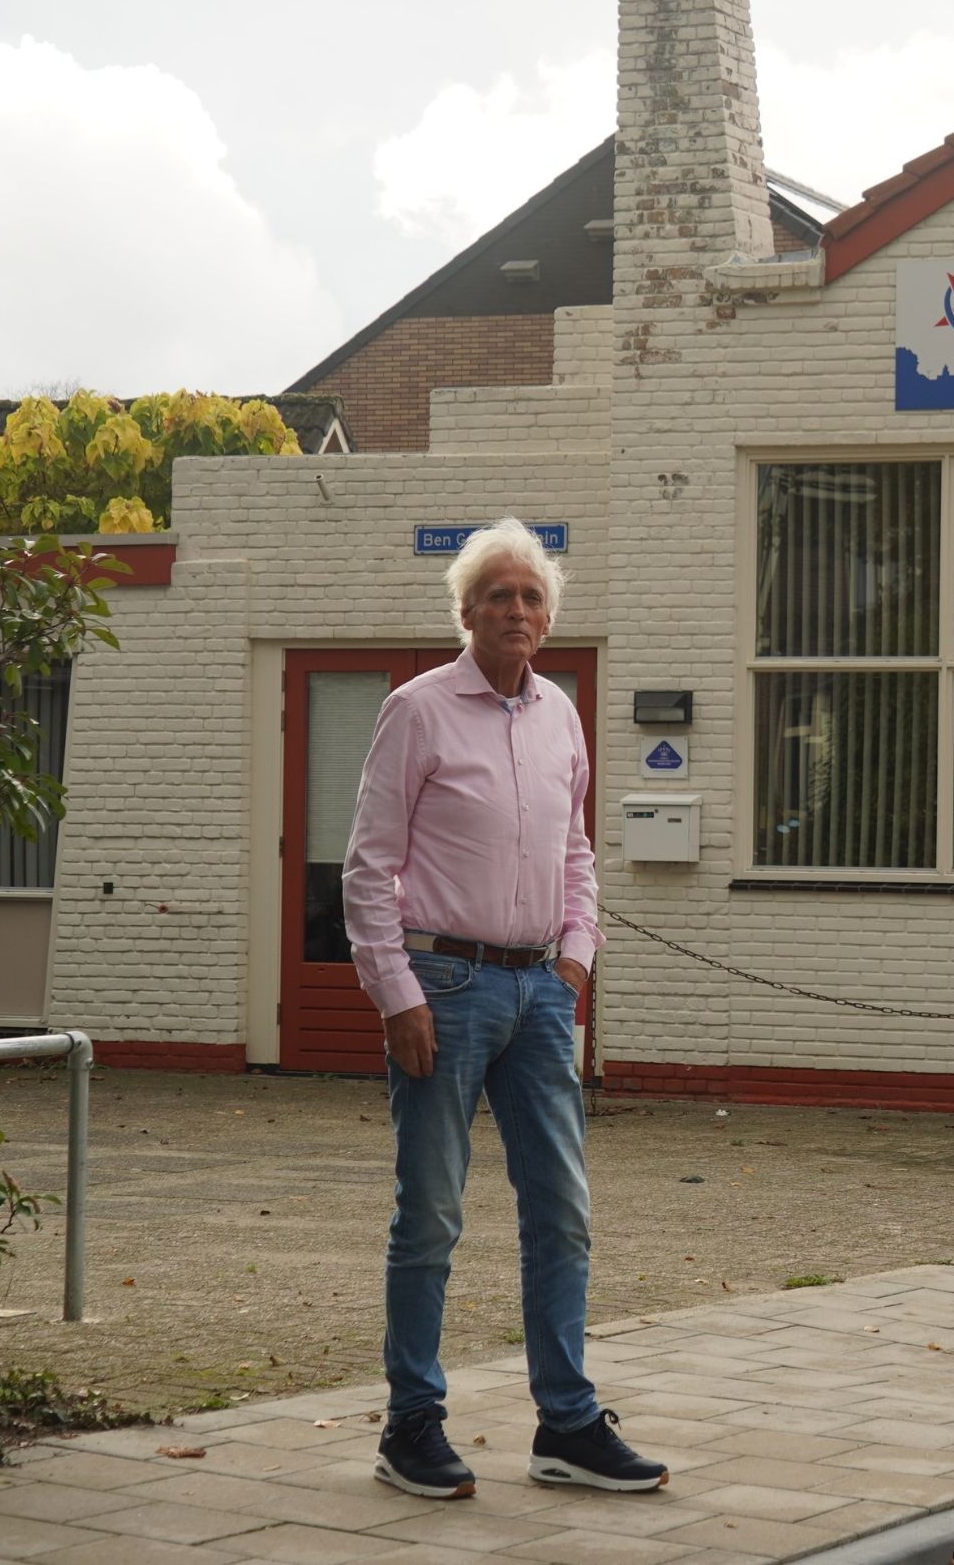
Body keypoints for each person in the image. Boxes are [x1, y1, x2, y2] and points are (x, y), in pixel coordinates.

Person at [340, 518, 666, 1499]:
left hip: (538, 993)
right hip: (445, 988)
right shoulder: (418, 710)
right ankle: (412, 1423)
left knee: (561, 1213)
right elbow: (369, 865)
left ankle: (566, 1423)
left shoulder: (561, 713)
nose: (516, 610)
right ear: (467, 612)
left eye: (531, 597)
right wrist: (394, 990)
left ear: (548, 615)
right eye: (498, 596)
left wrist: (576, 958)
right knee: (432, 1214)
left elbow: (575, 850)